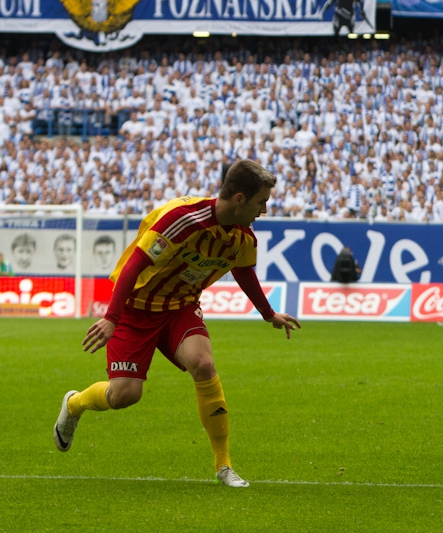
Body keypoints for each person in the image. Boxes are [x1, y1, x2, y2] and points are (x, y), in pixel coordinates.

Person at [53, 160, 301, 488]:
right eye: (261, 202)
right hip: (134, 309)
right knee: (124, 395)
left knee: (204, 364)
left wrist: (268, 313)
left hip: (178, 308)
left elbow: (242, 270)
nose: (265, 210)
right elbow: (136, 263)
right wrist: (111, 318)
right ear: (239, 199)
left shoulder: (242, 238)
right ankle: (74, 404)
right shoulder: (182, 219)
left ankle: (223, 466)